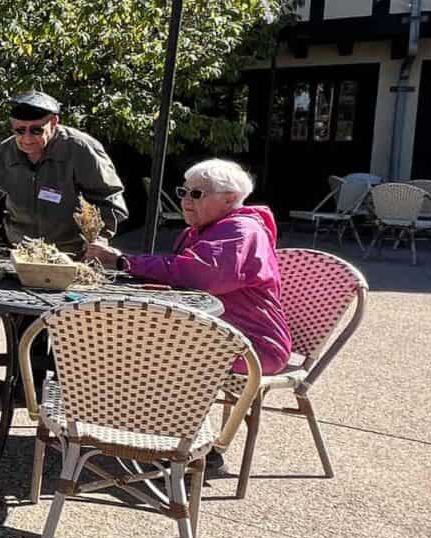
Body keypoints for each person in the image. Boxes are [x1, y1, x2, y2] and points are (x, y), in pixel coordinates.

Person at [85, 159, 291, 377]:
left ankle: (130, 408)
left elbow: (201, 275)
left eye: (196, 194)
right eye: (183, 192)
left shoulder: (241, 230)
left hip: (252, 347)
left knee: (129, 351)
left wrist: (124, 261)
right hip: (213, 335)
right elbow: (178, 276)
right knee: (119, 337)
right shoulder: (204, 229)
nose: (185, 201)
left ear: (230, 198)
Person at [0, 90, 128, 253]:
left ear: (53, 122)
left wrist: (100, 239)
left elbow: (111, 201)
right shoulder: (5, 153)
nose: (27, 139)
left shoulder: (81, 149)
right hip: (22, 252)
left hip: (72, 252)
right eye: (20, 131)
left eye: (36, 130)